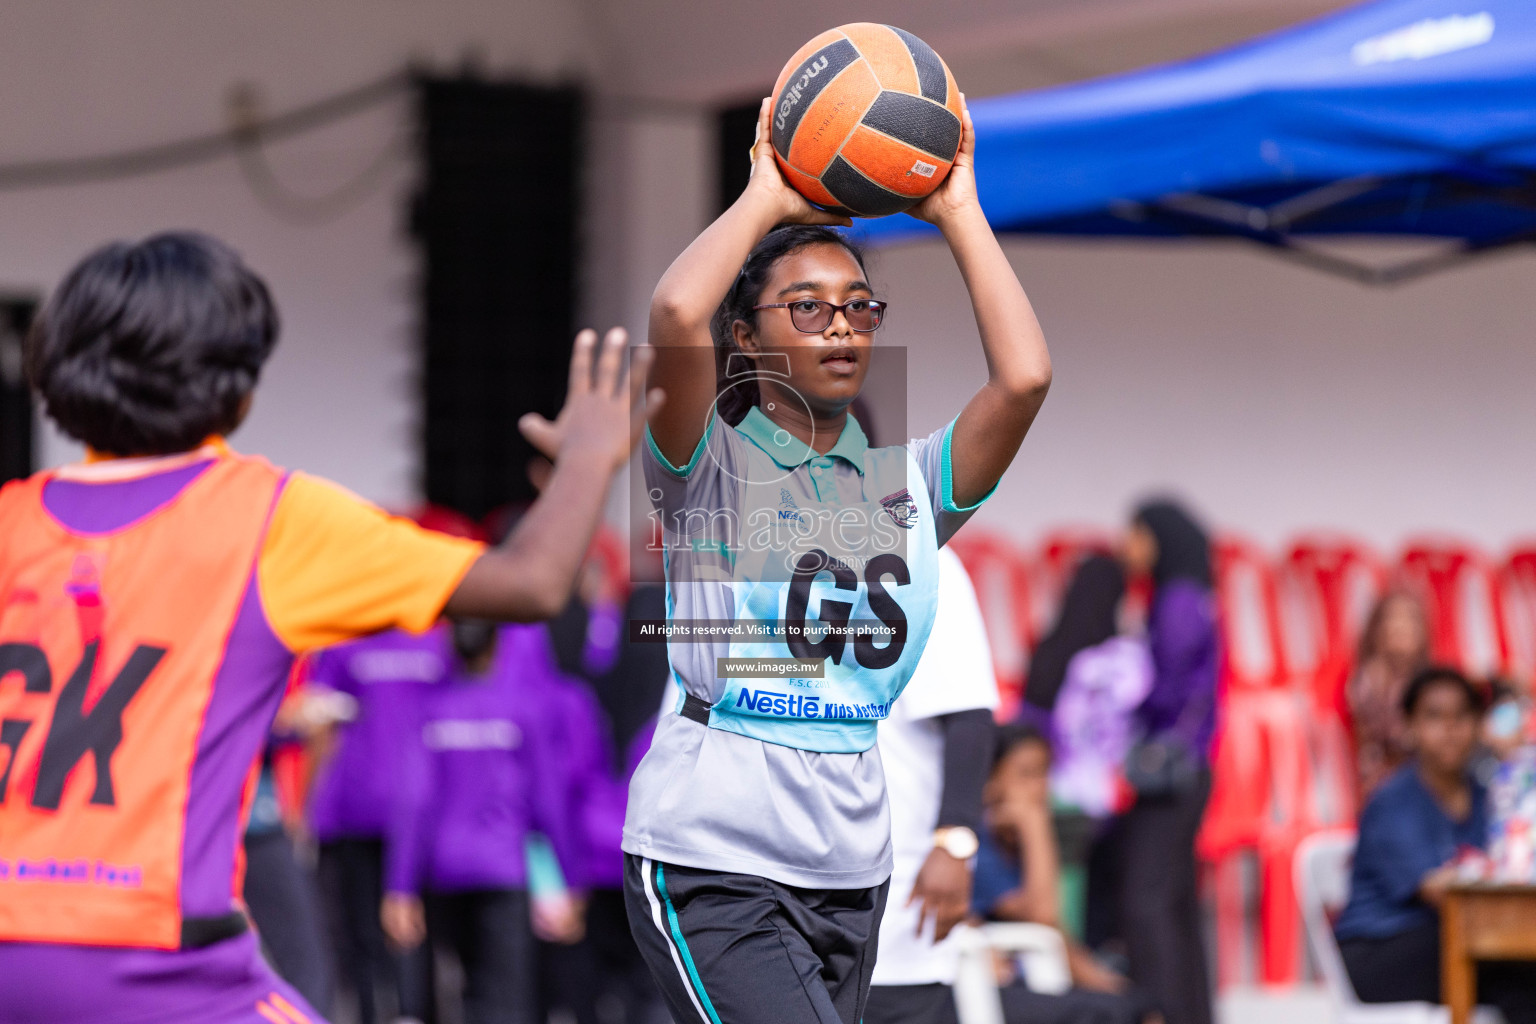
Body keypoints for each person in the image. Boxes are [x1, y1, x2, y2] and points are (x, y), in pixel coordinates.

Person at [0, 232, 656, 1024]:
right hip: (150, 960)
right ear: (238, 387)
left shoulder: (11, 521)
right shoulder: (267, 518)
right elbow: (531, 582)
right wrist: (586, 459)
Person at [625, 90, 1052, 1024]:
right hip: (715, 856)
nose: (843, 327)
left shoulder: (908, 486)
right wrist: (766, 196)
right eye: (809, 309)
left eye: (860, 307)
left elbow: (1022, 377)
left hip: (852, 864)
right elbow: (674, 306)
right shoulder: (706, 468)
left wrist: (957, 210)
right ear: (747, 339)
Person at [380, 619, 585, 1024]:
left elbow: (414, 803)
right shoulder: (522, 710)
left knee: (463, 993)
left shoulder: (430, 711)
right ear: (498, 647)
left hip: (446, 873)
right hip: (503, 872)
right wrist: (571, 879)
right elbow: (548, 801)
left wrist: (399, 887)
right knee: (509, 1000)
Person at [1334, 667, 1536, 1022]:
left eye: (1461, 717)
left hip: (1455, 935)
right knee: (1507, 963)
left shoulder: (1485, 792)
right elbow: (1441, 894)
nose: (1449, 730)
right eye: (1434, 716)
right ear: (1410, 726)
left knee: (1517, 980)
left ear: (1477, 725)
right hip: (1382, 948)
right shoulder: (1392, 801)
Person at [865, 546, 999, 1024]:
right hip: (776, 873)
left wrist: (955, 842)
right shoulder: (752, 544)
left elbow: (968, 716)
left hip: (897, 876)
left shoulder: (920, 551)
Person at [1100, 500, 1216, 1024]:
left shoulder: (1177, 601)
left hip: (1170, 770)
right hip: (1189, 768)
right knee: (1176, 899)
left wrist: (1128, 703)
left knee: (1145, 898)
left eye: (1136, 533)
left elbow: (1166, 688)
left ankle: (1160, 1012)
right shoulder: (1191, 597)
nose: (1129, 546)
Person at [307, 628, 451, 1024]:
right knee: (393, 931)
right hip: (375, 810)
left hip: (389, 808)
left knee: (384, 933)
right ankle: (401, 1013)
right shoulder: (429, 643)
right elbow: (321, 722)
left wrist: (308, 809)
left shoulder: (431, 641)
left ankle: (403, 1011)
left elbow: (320, 729)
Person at [973, 726, 1154, 1024]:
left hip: (1037, 977)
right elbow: (1042, 916)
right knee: (1113, 1013)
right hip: (990, 986)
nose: (1039, 786)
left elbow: (1057, 933)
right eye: (1026, 773)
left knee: (1140, 1006)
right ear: (990, 780)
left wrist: (1110, 986)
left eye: (1044, 773)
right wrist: (1035, 824)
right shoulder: (980, 844)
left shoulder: (1011, 841)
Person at [1021, 554, 1150, 820]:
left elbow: (1028, 723)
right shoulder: (1123, 660)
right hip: (1109, 799)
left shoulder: (1048, 653)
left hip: (1050, 794)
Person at [1348, 589, 1432, 800]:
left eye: (1410, 620)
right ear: (1377, 631)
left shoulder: (1429, 679)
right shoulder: (1369, 681)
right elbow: (1398, 741)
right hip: (1387, 785)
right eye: (1393, 620)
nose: (1400, 627)